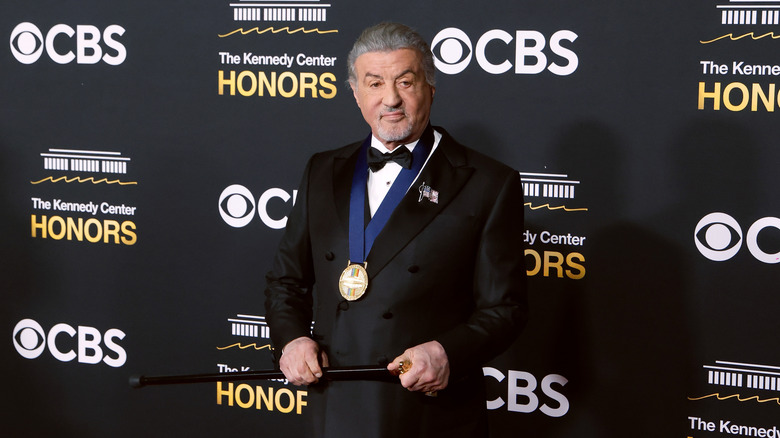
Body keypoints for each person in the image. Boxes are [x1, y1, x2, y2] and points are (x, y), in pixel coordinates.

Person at [264, 22, 527, 438]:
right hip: (338, 406)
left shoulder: (489, 183)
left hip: (431, 414)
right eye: (374, 83)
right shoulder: (322, 170)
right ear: (355, 92)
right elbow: (286, 280)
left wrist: (446, 353)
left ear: (431, 87)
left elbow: (504, 309)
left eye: (405, 81)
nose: (391, 99)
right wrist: (292, 340)